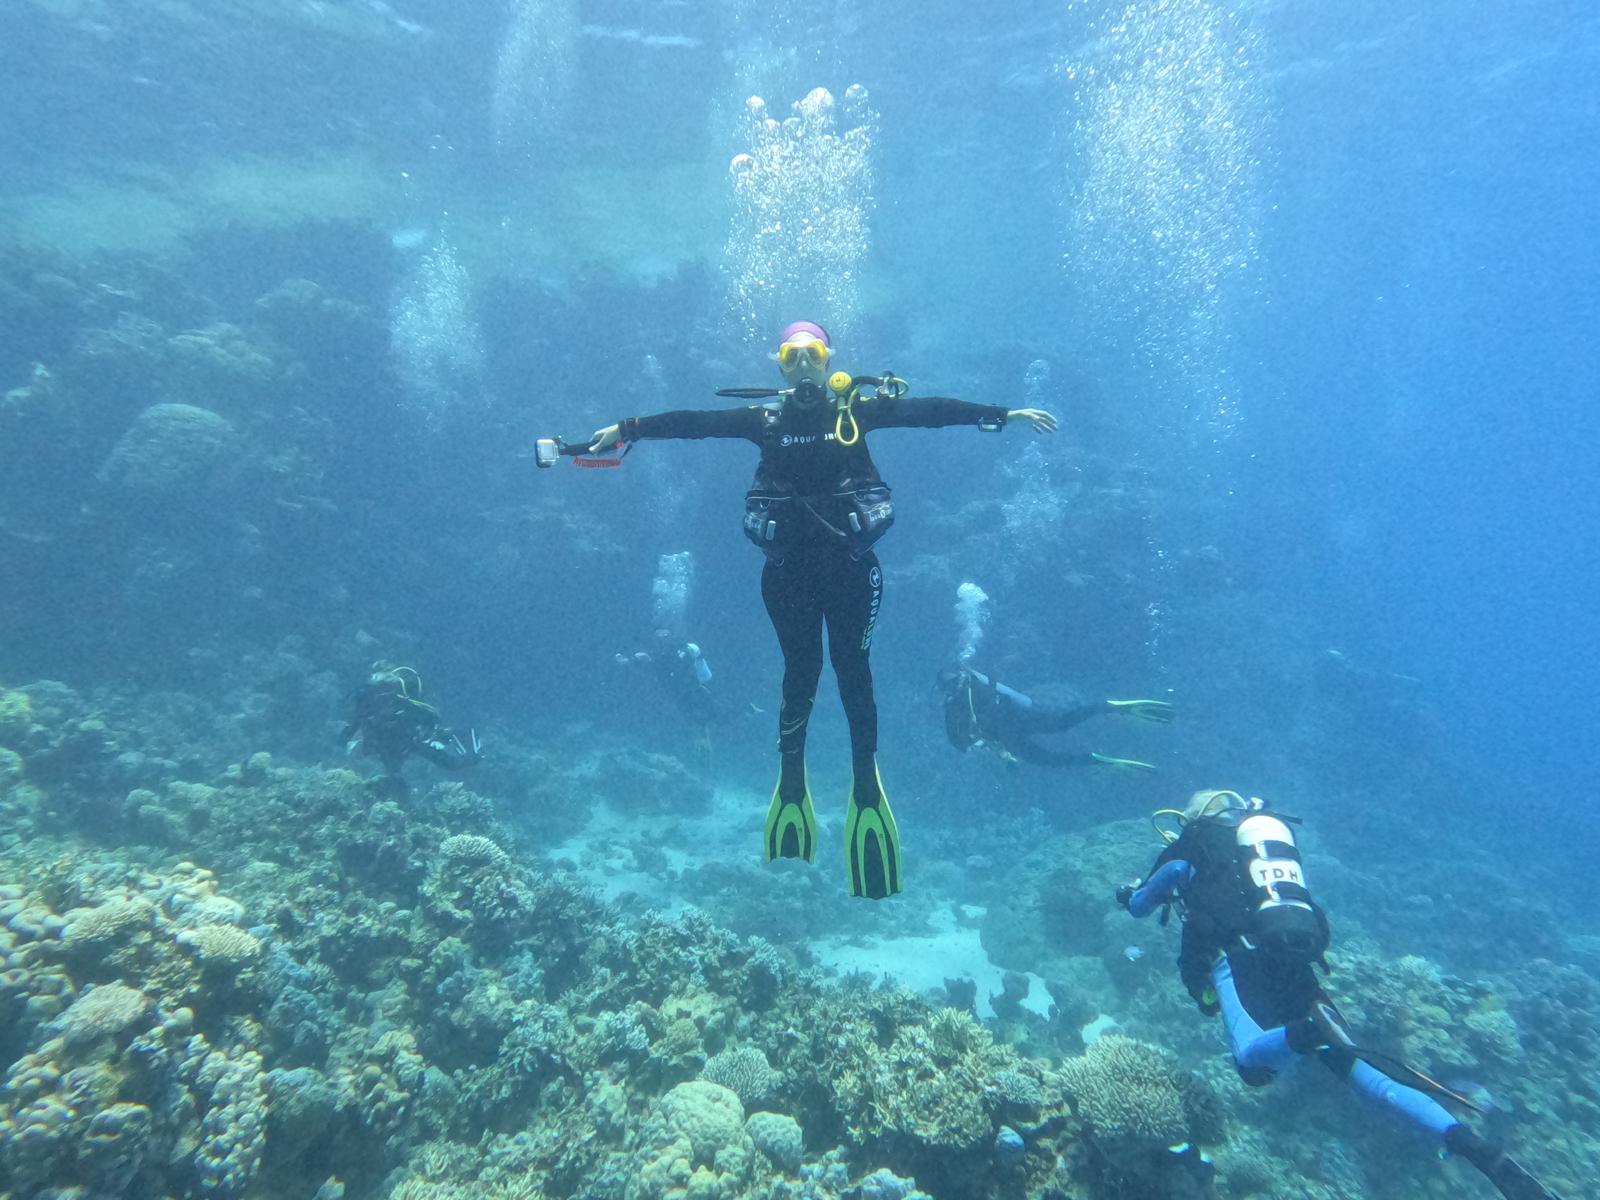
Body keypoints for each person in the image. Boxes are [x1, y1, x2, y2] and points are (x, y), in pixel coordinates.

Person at [583, 320, 1056, 898]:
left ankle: (864, 785)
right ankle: (791, 778)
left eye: (812, 353)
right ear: (779, 363)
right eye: (792, 355)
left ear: (829, 358)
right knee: (800, 675)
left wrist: (1002, 414)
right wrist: (628, 429)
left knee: (854, 674)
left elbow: (927, 412)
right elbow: (695, 424)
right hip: (788, 577)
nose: (803, 364)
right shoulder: (765, 420)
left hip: (852, 572)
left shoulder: (854, 410)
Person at [1114, 789, 1562, 1200]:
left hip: (1236, 958)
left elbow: (1139, 906)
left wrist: (1129, 892)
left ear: (1192, 819)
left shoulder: (1189, 844)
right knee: (1365, 1074)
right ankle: (1475, 1148)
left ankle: (1308, 1032)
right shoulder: (1264, 848)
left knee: (1251, 1061)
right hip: (1292, 957)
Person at [936, 664, 1171, 770]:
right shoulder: (977, 684)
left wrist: (995, 751)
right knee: (1061, 723)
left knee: (1049, 760)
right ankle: (1108, 706)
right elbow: (1010, 699)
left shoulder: (953, 706)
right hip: (1018, 717)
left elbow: (961, 741)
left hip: (1007, 736)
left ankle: (1098, 761)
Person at [340, 665, 482, 785]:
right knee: (393, 768)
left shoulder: (397, 704)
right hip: (396, 740)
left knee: (451, 763)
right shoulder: (366, 705)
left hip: (407, 738)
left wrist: (434, 733)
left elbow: (429, 716)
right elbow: (351, 730)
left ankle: (470, 744)